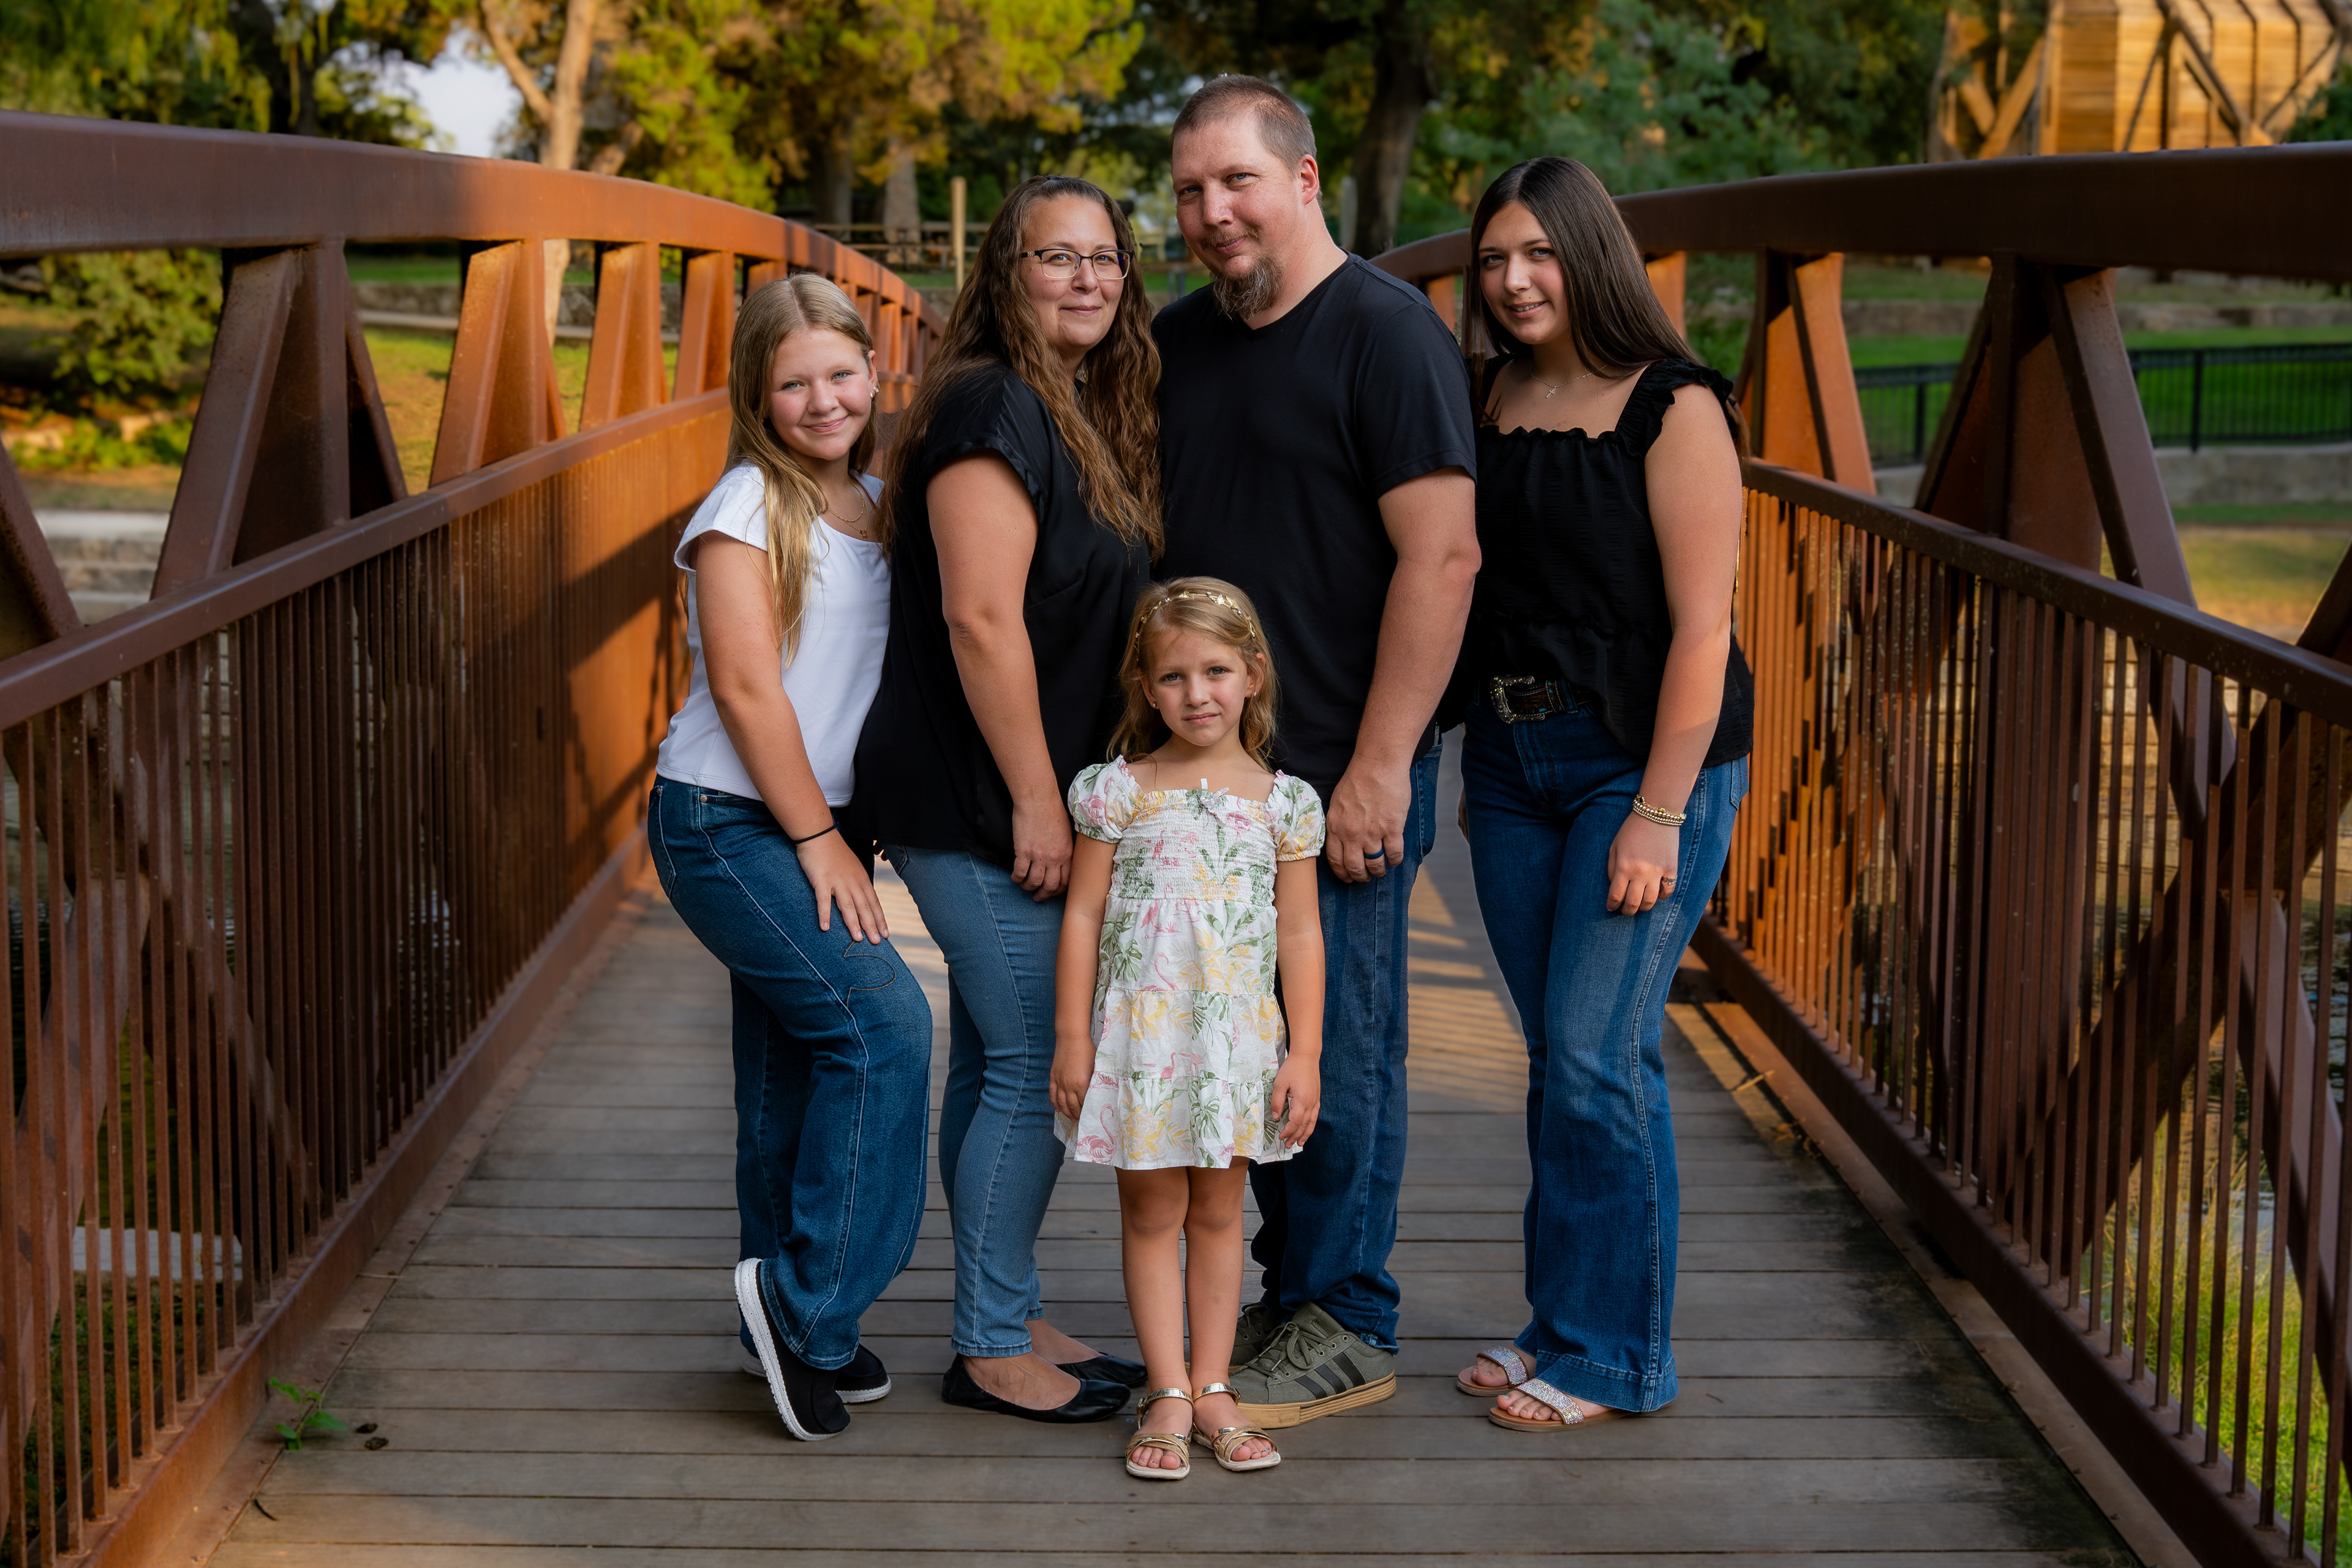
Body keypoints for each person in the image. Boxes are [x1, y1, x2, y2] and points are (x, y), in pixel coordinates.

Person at [1153, 74, 1480, 1427]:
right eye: (1189, 190)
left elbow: (1443, 557)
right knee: (1246, 1045)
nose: (1212, 211)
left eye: (1237, 180)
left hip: (1342, 763)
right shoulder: (1176, 338)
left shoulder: (1388, 336)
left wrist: (1384, 766)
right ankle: (1285, 1298)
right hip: (1205, 775)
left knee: (1339, 1045)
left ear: (1303, 180)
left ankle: (1348, 1313)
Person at [1448, 156, 1750, 1431]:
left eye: (1541, 254)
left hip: (1642, 761)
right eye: (1494, 259)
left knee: (1597, 1053)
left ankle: (1619, 1357)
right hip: (1513, 765)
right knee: (1560, 1058)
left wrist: (1659, 813)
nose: (1515, 281)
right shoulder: (1488, 394)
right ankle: (1560, 1323)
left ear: (1593, 257)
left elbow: (1703, 630)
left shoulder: (1674, 407)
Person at [854, 175, 1159, 1423]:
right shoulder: (990, 405)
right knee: (1038, 1057)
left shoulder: (1071, 405)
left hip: (1021, 792)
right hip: (974, 794)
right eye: (1055, 257)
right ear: (1005, 273)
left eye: (1105, 257)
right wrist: (1042, 800)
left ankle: (1007, 1303)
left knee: (998, 1054)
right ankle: (987, 1344)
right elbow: (981, 618)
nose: (1087, 278)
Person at [646, 275, 933, 1442]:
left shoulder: (881, 504)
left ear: (875, 370)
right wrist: (819, 840)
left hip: (821, 821)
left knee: (791, 1071)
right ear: (757, 398)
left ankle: (782, 1311)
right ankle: (810, 1308)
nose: (824, 401)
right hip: (728, 821)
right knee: (885, 1029)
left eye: (841, 374)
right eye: (793, 383)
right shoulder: (745, 508)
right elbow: (747, 688)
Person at [1050, 579, 1327, 1479]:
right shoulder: (1117, 792)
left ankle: (1213, 1388)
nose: (1197, 694)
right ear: (1145, 686)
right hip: (1142, 1042)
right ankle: (1166, 1389)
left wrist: (1306, 1052)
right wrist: (1073, 1038)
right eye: (1173, 677)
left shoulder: (1286, 803)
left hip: (1234, 1046)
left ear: (1253, 674)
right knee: (1150, 1212)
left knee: (1218, 1211)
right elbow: (1084, 915)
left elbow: (1300, 932)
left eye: (1216, 671)